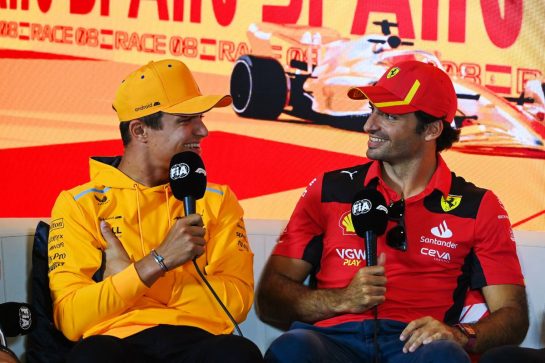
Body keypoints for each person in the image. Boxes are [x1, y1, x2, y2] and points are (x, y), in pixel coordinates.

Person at [256, 60, 528, 363]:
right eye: (373, 110)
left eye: (388, 115)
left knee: (445, 356)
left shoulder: (478, 206)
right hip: (332, 341)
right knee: (293, 348)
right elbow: (270, 299)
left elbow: (513, 316)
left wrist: (460, 334)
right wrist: (342, 299)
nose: (369, 125)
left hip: (417, 346)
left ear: (432, 129)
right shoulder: (329, 189)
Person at [48, 59, 263, 363]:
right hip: (115, 344)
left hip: (199, 342)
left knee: (240, 355)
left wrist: (129, 280)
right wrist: (155, 264)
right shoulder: (80, 204)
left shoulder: (218, 199)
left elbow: (235, 303)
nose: (203, 130)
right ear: (140, 131)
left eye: (200, 117)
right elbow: (71, 319)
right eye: (186, 119)